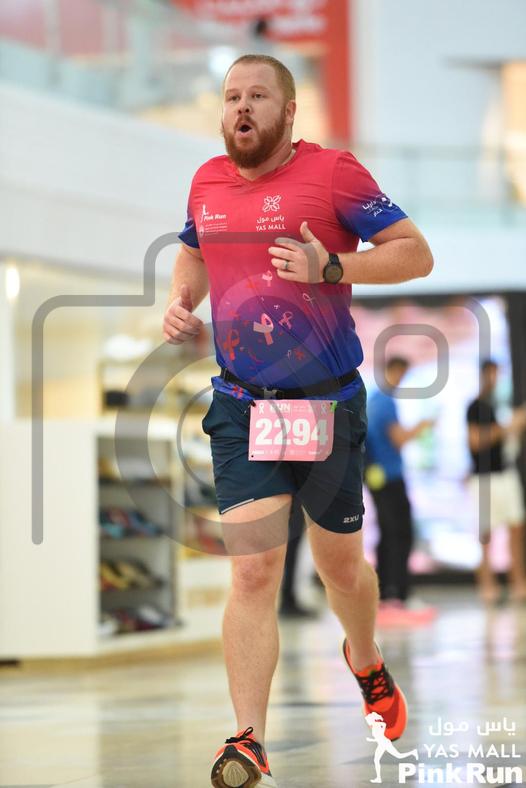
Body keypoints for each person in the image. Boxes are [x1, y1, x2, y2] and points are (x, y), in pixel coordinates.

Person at [163, 54, 433, 788]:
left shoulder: (334, 173)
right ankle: (248, 738)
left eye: (257, 96)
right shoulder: (206, 182)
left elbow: (415, 254)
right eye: (231, 97)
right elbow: (193, 252)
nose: (241, 108)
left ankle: (365, 659)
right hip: (241, 404)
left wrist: (332, 268)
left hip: (326, 402)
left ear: (288, 111)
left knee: (339, 566)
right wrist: (181, 302)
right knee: (254, 571)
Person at [365, 357, 435, 622]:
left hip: (378, 477)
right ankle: (398, 593)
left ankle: (386, 592)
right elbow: (398, 439)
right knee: (400, 534)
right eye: (401, 374)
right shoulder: (384, 401)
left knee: (388, 533)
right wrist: (423, 426)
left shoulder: (374, 400)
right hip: (390, 477)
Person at [466, 359, 526, 604]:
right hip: (484, 479)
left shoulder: (501, 405)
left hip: (506, 474)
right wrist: (508, 427)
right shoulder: (475, 407)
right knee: (486, 536)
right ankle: (487, 585)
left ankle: (518, 582)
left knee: (516, 529)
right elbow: (475, 442)